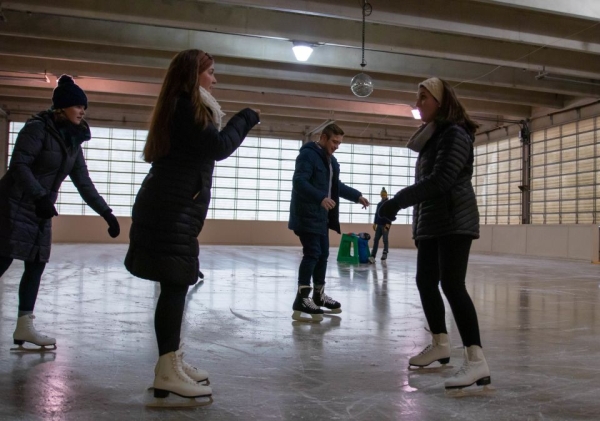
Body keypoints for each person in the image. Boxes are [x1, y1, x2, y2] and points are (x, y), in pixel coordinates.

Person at [124, 49, 260, 402]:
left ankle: (171, 362)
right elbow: (219, 147)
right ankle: (166, 370)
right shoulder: (185, 106)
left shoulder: (183, 106)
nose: (214, 80)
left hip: (173, 209)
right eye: (210, 72)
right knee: (174, 283)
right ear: (192, 75)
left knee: (176, 284)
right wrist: (245, 117)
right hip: (169, 211)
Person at [379, 77, 489, 391]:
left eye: (423, 97)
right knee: (425, 281)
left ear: (441, 102)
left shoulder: (455, 134)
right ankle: (441, 343)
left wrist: (398, 201)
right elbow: (430, 185)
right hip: (433, 222)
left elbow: (441, 181)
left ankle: (477, 360)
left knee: (452, 284)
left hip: (454, 219)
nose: (418, 103)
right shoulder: (433, 137)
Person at [0, 75, 120, 351]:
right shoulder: (36, 129)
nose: (82, 111)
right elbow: (19, 165)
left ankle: (24, 325)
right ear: (61, 108)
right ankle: (24, 324)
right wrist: (40, 196)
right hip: (13, 204)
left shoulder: (72, 141)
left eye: (84, 108)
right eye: (78, 106)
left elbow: (83, 182)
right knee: (2, 258)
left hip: (41, 209)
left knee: (37, 263)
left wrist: (106, 213)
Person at [288, 123, 370, 322]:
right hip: (306, 215)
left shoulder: (331, 162)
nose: (337, 146)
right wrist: (319, 198)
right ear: (323, 138)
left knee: (323, 255)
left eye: (339, 143)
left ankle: (318, 295)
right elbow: (299, 181)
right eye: (334, 141)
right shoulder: (308, 155)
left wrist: (357, 196)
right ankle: (302, 299)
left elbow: (336, 186)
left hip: (321, 217)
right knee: (313, 253)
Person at [368, 187, 391, 263]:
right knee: (376, 239)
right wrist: (375, 223)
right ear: (380, 195)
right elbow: (376, 214)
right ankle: (373, 255)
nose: (383, 196)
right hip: (379, 225)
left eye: (384, 195)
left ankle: (385, 252)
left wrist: (388, 224)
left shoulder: (389, 203)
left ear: (386, 195)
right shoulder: (379, 204)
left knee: (385, 239)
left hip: (386, 225)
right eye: (382, 195)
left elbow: (391, 214)